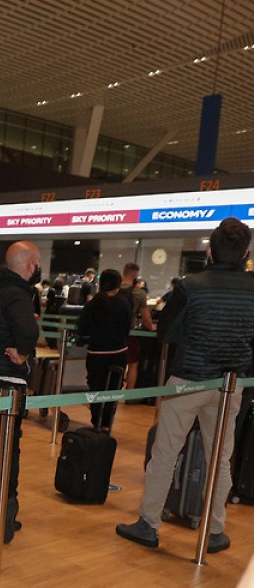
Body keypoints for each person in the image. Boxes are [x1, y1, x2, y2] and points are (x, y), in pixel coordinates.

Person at [117, 217, 254, 555]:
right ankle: (214, 529)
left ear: (209, 250)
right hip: (230, 383)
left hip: (187, 381)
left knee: (165, 453)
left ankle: (149, 524)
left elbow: (166, 334)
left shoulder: (190, 286)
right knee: (220, 457)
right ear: (245, 253)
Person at [0, 241, 42, 544]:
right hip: (9, 381)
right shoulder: (18, 294)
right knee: (8, 451)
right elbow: (28, 332)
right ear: (29, 265)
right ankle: (2, 514)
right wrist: (25, 353)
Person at [75, 269, 131, 432]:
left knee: (96, 388)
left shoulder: (93, 304)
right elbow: (126, 329)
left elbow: (83, 329)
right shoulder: (124, 304)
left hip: (96, 354)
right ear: (118, 284)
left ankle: (96, 421)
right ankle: (107, 422)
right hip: (118, 353)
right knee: (113, 389)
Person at [120, 262, 156, 389]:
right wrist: (152, 328)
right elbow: (146, 318)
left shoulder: (113, 289)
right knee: (133, 363)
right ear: (135, 274)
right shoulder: (138, 293)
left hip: (111, 333)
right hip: (129, 333)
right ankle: (129, 394)